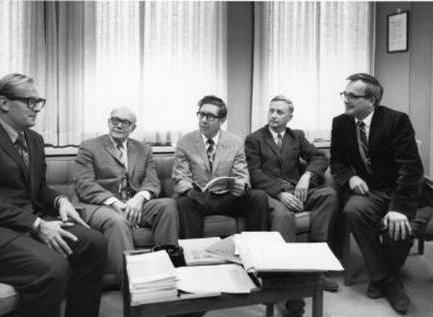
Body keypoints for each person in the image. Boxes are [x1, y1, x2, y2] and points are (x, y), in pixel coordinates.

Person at [0, 73, 107, 317]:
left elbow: (38, 189)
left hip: (21, 226)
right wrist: (37, 224)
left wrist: (59, 200)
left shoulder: (34, 140)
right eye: (30, 101)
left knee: (94, 243)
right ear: (4, 103)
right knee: (52, 267)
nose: (37, 108)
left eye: (38, 101)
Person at [330, 73, 424, 314]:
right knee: (353, 211)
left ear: (371, 100)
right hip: (370, 191)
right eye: (345, 94)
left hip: (399, 189)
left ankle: (380, 278)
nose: (346, 99)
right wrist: (350, 176)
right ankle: (388, 280)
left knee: (401, 228)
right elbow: (338, 162)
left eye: (352, 96)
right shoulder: (340, 123)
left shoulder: (396, 121)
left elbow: (411, 168)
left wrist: (399, 209)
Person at [245, 95, 339, 292]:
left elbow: (319, 157)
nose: (274, 115)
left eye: (280, 112)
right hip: (270, 194)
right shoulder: (254, 139)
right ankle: (284, 281)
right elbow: (254, 173)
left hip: (298, 190)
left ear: (290, 117)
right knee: (284, 216)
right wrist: (279, 193)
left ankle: (316, 269)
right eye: (271, 110)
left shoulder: (296, 136)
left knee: (328, 194)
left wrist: (307, 176)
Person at [74, 107, 179, 283]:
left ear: (133, 128)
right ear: (109, 122)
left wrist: (139, 199)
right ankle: (134, 289)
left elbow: (152, 181)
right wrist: (115, 203)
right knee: (118, 221)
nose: (119, 125)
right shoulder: (89, 147)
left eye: (125, 122)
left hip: (134, 205)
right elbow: (85, 184)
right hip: (99, 205)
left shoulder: (143, 149)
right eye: (115, 120)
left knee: (168, 205)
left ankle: (169, 274)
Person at [173, 95, 269, 238]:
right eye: (201, 114)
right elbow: (181, 176)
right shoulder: (184, 142)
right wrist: (190, 191)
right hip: (198, 198)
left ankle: (256, 250)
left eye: (210, 116)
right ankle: (193, 254)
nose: (204, 120)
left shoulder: (235, 142)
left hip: (226, 197)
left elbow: (241, 173)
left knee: (258, 197)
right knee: (183, 203)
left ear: (222, 120)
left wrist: (242, 185)